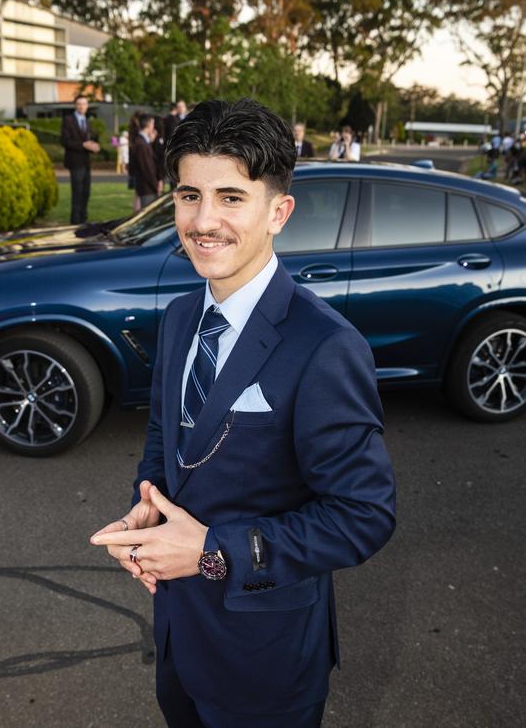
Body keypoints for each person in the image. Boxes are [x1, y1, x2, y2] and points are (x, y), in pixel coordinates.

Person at [90, 98, 396, 728]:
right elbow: (164, 437)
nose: (204, 221)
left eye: (231, 197)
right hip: (178, 636)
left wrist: (209, 552)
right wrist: (147, 506)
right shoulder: (179, 318)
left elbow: (363, 515)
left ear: (278, 211)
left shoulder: (326, 346)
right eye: (188, 195)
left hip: (266, 661)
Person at [60, 94, 100, 224]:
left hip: (86, 162)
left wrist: (94, 146)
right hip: (75, 162)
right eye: (80, 104)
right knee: (77, 193)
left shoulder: (87, 121)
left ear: (87, 106)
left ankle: (84, 221)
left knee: (86, 192)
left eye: (84, 104)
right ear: (75, 105)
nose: (82, 106)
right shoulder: (68, 120)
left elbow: (89, 139)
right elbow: (65, 141)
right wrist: (83, 145)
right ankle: (75, 223)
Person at [131, 113, 159, 208]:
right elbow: (147, 168)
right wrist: (155, 184)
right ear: (149, 125)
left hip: (146, 186)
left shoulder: (142, 142)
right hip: (147, 187)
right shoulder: (141, 144)